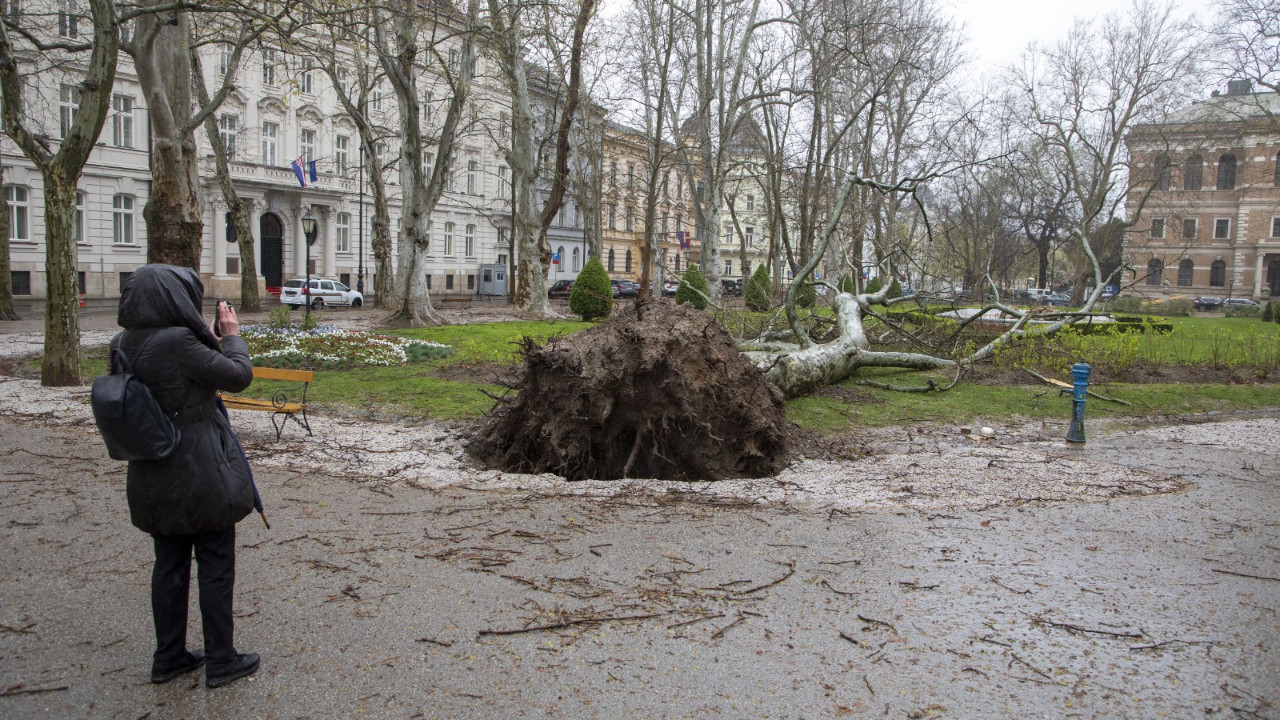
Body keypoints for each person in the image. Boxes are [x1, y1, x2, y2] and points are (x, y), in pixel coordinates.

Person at [112, 264, 261, 688]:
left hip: (151, 469)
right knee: (215, 561)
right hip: (197, 470)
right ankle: (221, 659)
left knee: (169, 564)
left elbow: (175, 382)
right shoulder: (178, 341)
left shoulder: (123, 342)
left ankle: (169, 656)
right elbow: (238, 377)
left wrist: (208, 344)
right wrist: (231, 337)